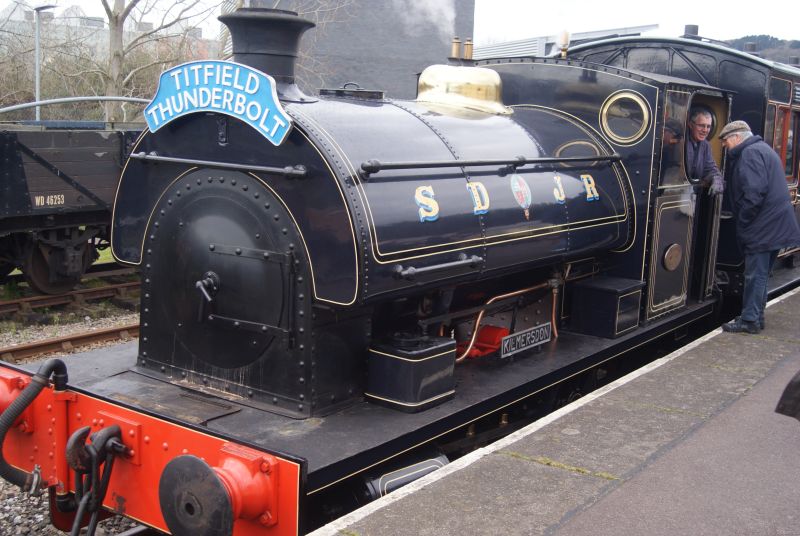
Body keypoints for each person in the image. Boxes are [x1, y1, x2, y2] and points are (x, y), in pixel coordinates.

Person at [719, 120, 800, 333]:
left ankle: (750, 320)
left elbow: (754, 193)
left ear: (737, 137)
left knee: (754, 275)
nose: (725, 146)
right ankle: (755, 315)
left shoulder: (750, 154)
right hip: (775, 226)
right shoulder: (763, 149)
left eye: (726, 141)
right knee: (762, 274)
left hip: (763, 227)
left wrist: (743, 221)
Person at [685, 108, 724, 195]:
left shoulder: (705, 145)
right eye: (701, 125)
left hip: (693, 194)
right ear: (691, 125)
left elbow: (710, 168)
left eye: (708, 126)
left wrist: (716, 179)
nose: (705, 130)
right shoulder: (681, 141)